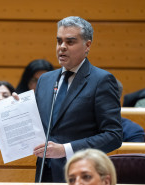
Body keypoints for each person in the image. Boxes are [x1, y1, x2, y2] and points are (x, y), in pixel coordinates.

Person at [27, 16, 122, 182]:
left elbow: (113, 136)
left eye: (70, 42)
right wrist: (19, 109)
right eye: (59, 41)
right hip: (44, 173)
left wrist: (65, 149)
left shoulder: (101, 80)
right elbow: (40, 127)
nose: (62, 47)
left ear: (87, 45)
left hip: (79, 175)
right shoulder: (45, 80)